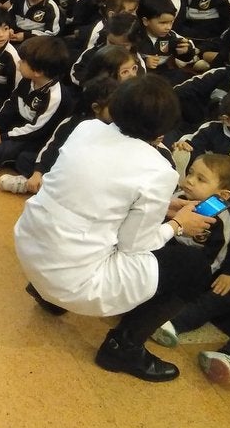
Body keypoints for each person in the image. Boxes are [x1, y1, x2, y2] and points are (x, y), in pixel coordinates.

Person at [14, 74, 217, 381]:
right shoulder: (159, 169)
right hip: (71, 276)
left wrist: (162, 207)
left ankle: (45, 295)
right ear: (163, 128)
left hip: (32, 244)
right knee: (193, 268)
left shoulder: (88, 128)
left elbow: (95, 193)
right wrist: (178, 225)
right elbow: (135, 246)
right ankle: (123, 348)